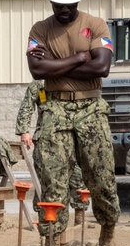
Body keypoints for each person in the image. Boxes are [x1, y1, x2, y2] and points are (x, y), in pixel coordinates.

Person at [25, 0, 120, 246]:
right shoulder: (39, 30)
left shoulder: (95, 25)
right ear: (50, 2)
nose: (64, 10)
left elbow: (101, 68)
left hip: (91, 108)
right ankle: (51, 243)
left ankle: (107, 233)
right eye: (58, 5)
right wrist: (81, 58)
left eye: (69, 5)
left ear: (78, 1)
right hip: (54, 108)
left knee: (100, 176)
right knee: (52, 178)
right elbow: (38, 72)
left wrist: (57, 64)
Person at [15, 78, 89, 225]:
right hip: (46, 141)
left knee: (77, 179)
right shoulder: (38, 85)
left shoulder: (71, 80)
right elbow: (26, 107)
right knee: (45, 181)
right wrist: (24, 131)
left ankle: (79, 221)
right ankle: (46, 223)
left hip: (70, 138)